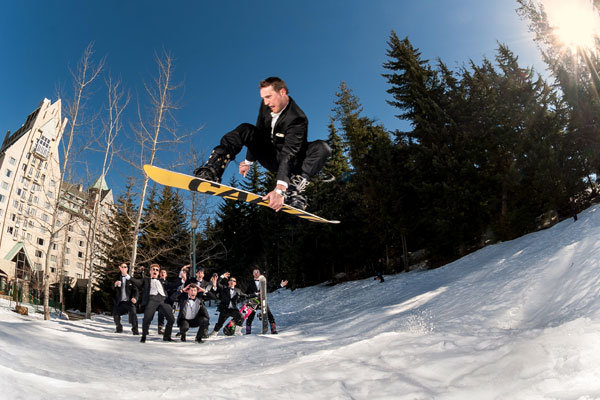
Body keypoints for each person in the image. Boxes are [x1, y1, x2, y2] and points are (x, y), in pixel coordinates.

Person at [194, 76, 331, 211]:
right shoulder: (267, 105)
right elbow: (259, 133)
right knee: (245, 129)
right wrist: (248, 161)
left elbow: (289, 154)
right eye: (263, 98)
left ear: (282, 92)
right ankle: (214, 168)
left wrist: (279, 191)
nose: (266, 102)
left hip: (293, 162)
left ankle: (292, 192)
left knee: (322, 147)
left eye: (269, 97)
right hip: (270, 156)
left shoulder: (297, 119)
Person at [130, 263, 179, 343]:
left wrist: (181, 279)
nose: (155, 271)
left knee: (171, 319)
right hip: (152, 299)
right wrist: (127, 276)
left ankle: (167, 336)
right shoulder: (146, 280)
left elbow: (172, 285)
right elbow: (137, 282)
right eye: (153, 269)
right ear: (150, 271)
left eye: (157, 270)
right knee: (147, 319)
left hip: (163, 300)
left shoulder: (162, 281)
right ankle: (144, 336)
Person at [244, 267, 287, 335]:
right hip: (254, 301)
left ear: (260, 273)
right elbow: (247, 293)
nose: (256, 273)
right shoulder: (250, 282)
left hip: (262, 300)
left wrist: (281, 285)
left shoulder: (264, 281)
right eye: (254, 272)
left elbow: (272, 287)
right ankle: (248, 331)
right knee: (250, 316)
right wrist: (252, 295)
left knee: (269, 315)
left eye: (257, 272)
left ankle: (273, 330)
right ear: (253, 274)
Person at [112, 263, 139, 335]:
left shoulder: (130, 279)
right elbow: (111, 288)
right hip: (120, 302)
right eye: (122, 267)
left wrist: (135, 298)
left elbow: (136, 290)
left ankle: (135, 330)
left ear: (127, 269)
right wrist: (115, 285)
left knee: (133, 313)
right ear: (120, 268)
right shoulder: (116, 278)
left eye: (125, 267)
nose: (123, 268)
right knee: (115, 313)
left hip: (129, 301)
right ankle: (119, 327)